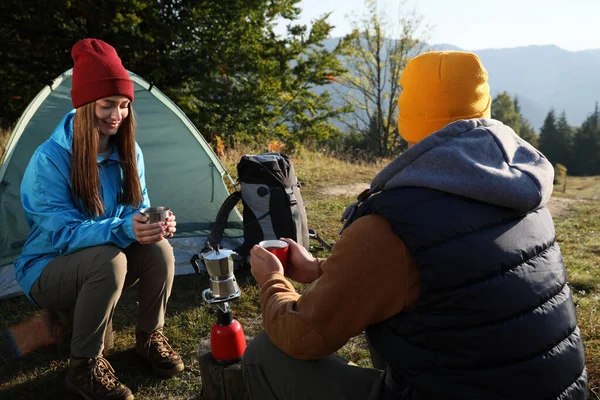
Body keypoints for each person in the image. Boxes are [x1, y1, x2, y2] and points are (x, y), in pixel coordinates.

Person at [243, 51, 587, 399]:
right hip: (561, 391)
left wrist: (272, 280)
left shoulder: (392, 221)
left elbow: (303, 336)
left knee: (263, 355)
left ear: (407, 115)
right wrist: (321, 268)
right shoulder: (522, 194)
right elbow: (450, 268)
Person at [14, 38, 183, 400]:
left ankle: (150, 337)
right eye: (107, 105)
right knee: (111, 263)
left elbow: (139, 207)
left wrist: (154, 224)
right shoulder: (50, 160)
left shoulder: (128, 149)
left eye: (124, 105)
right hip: (47, 266)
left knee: (161, 251)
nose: (117, 115)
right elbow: (63, 235)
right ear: (85, 104)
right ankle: (84, 368)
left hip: (104, 257)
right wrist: (125, 228)